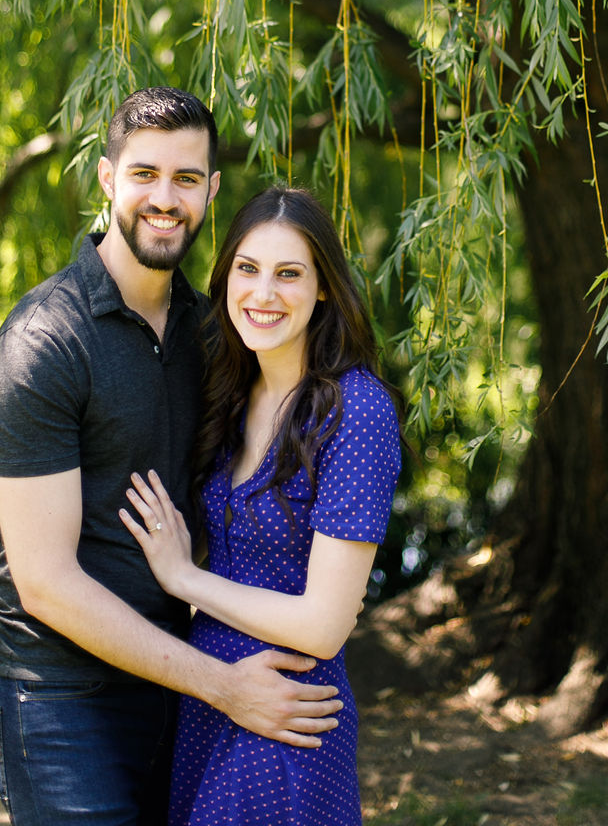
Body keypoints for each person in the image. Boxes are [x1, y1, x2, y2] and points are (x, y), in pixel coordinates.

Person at [0, 89, 343, 826]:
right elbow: (44, 584)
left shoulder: (216, 335)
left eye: (185, 179)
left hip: (179, 677)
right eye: (144, 174)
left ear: (209, 192)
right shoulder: (44, 344)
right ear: (108, 179)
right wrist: (222, 684)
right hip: (60, 694)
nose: (164, 199)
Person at [121, 185, 402, 825]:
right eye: (247, 269)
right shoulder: (231, 392)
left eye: (289, 274)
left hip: (285, 720)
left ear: (324, 286)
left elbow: (324, 624)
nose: (263, 294)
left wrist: (185, 577)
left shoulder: (355, 412)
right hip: (208, 709)